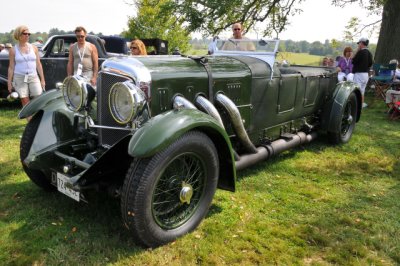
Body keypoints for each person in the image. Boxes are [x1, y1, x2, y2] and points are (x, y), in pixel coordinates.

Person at [7, 25, 45, 110]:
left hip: (33, 76)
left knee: (38, 97)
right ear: (19, 35)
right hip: (19, 77)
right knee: (24, 100)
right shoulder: (13, 50)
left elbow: (38, 64)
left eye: (29, 34)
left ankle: (36, 120)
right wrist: (9, 82)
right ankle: (31, 121)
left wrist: (42, 79)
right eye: (25, 33)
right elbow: (11, 67)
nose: (27, 35)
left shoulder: (34, 48)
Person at [352, 37, 373, 108]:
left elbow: (353, 61)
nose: (358, 45)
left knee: (356, 90)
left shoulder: (360, 52)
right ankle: (361, 105)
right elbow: (370, 63)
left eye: (359, 43)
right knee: (362, 91)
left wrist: (357, 51)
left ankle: (355, 106)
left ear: (361, 43)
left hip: (359, 74)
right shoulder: (369, 53)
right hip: (366, 75)